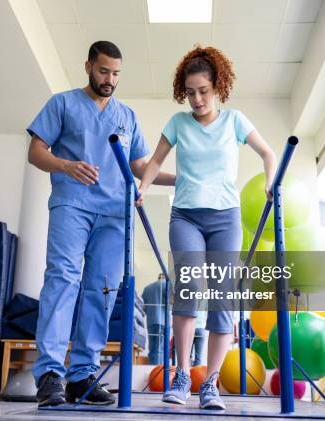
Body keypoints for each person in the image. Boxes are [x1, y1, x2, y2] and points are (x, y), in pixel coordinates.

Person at [27, 40, 175, 407]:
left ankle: (81, 376)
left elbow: (140, 166)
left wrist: (181, 179)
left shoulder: (126, 116)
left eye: (116, 74)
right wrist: (65, 165)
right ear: (88, 66)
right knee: (62, 281)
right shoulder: (62, 104)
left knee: (103, 291)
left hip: (114, 213)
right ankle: (49, 374)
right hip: (72, 205)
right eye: (103, 71)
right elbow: (36, 152)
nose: (110, 79)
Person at [136, 45, 276, 410]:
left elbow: (268, 153)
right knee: (186, 293)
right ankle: (183, 375)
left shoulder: (235, 121)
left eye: (204, 91)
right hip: (185, 216)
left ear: (218, 87)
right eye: (191, 92)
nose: (197, 99)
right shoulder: (178, 123)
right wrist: (144, 187)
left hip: (225, 219)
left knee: (222, 302)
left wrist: (269, 181)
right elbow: (154, 161)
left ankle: (210, 383)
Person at [141, 273, 171, 365]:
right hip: (163, 321)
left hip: (151, 321)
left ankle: (151, 367)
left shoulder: (147, 288)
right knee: (160, 348)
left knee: (152, 347)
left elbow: (142, 307)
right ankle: (158, 370)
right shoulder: (166, 285)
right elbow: (172, 302)